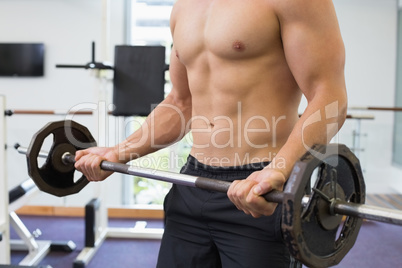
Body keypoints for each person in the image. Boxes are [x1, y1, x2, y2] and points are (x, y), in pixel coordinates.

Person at [75, 0, 347, 267]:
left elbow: (329, 97)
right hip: (192, 184)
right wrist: (119, 152)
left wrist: (279, 170)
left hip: (259, 191)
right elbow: (181, 103)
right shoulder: (183, 6)